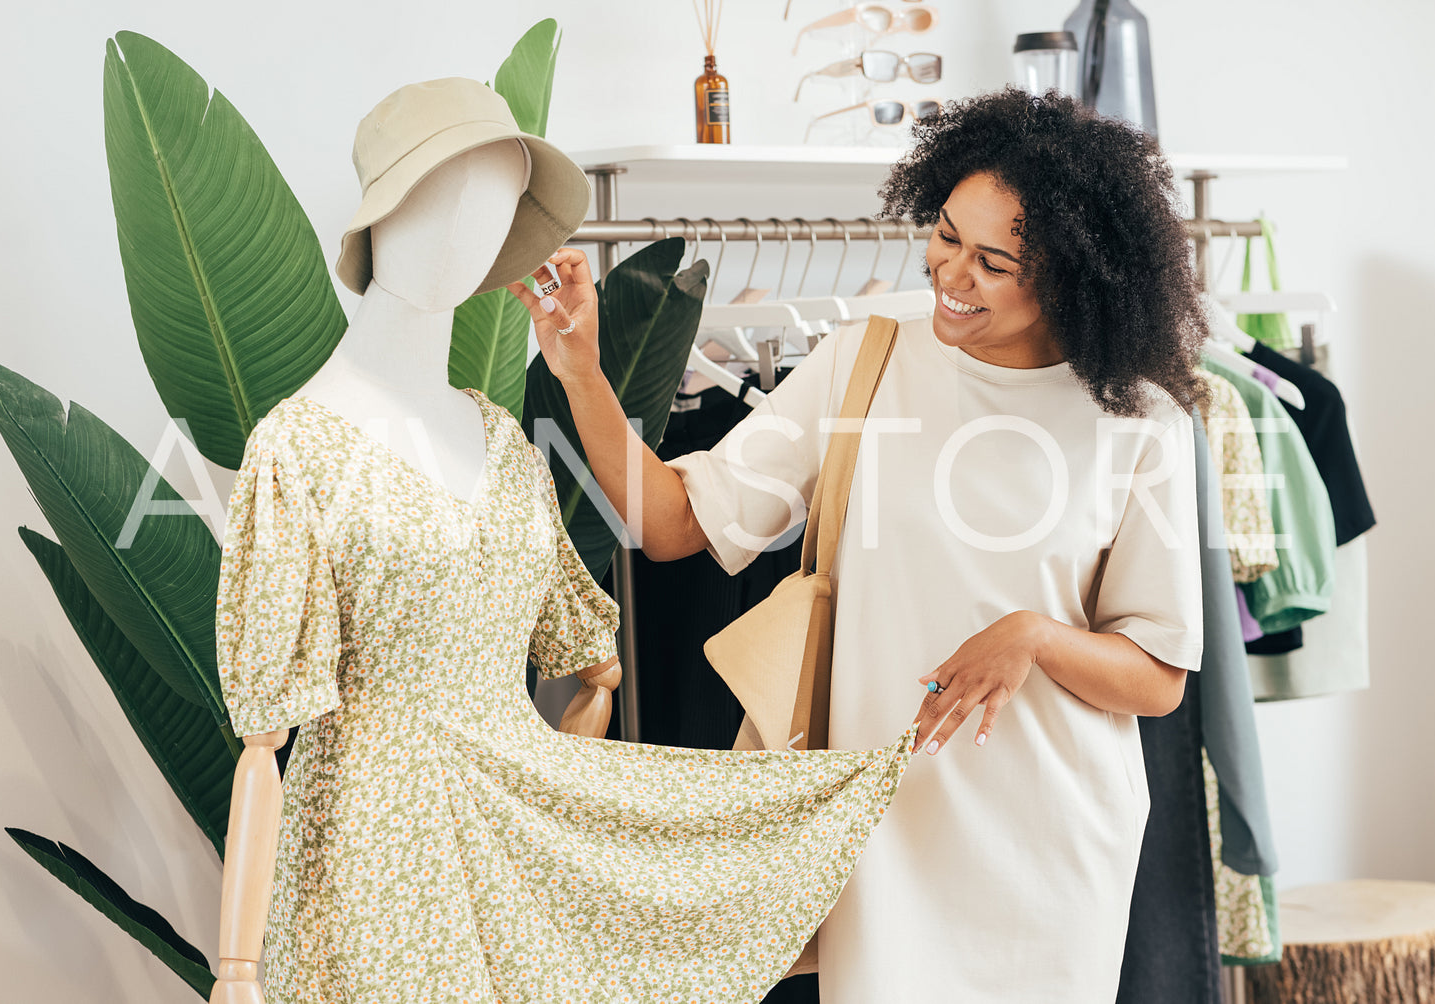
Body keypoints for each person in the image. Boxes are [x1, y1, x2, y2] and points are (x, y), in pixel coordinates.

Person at [212, 78, 913, 1004]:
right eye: (438, 195)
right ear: (379, 215)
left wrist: (570, 834)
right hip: (372, 846)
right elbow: (265, 738)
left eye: (494, 203)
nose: (467, 227)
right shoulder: (298, 447)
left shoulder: (503, 444)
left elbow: (592, 670)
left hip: (518, 841)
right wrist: (238, 968)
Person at [506, 87, 1208, 1002]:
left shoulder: (1139, 422)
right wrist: (582, 372)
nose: (953, 274)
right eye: (948, 235)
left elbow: (1157, 678)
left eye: (996, 262)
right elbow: (670, 525)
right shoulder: (864, 360)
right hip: (881, 830)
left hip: (1050, 848)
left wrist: (1033, 637)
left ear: (1073, 278)